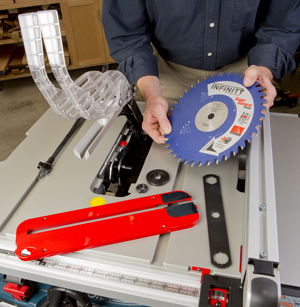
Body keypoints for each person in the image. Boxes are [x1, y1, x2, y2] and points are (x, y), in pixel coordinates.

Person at [102, 1, 300, 144]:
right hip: (161, 76)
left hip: (245, 75)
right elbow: (126, 34)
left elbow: (283, 26)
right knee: (158, 149)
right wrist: (152, 95)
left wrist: (263, 72)